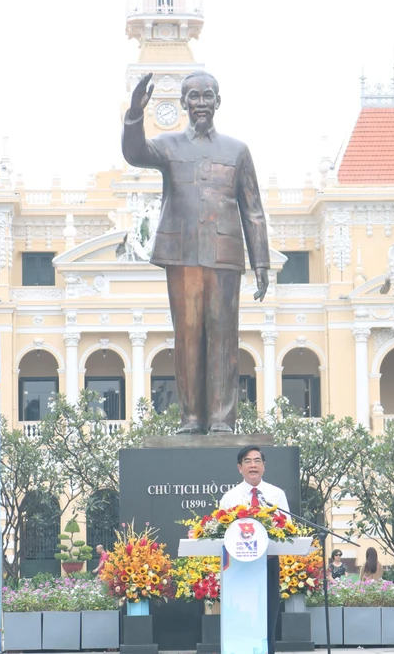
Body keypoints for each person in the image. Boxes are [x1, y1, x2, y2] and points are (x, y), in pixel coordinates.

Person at [122, 71, 271, 435]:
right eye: (194, 96)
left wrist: (261, 262)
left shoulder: (237, 151)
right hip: (182, 253)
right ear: (183, 103)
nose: (201, 103)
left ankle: (221, 420)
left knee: (224, 338)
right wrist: (135, 114)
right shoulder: (169, 146)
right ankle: (191, 419)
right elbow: (135, 153)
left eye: (207, 96)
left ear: (218, 102)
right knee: (187, 336)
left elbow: (253, 209)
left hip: (225, 255)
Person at [219, 446, 289, 654]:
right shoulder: (230, 497)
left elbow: (288, 527)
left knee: (268, 615)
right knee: (240, 615)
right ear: (239, 468)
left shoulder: (276, 494)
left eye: (257, 461)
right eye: (248, 461)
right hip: (238, 568)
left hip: (268, 563)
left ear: (264, 466)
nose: (253, 465)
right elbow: (221, 532)